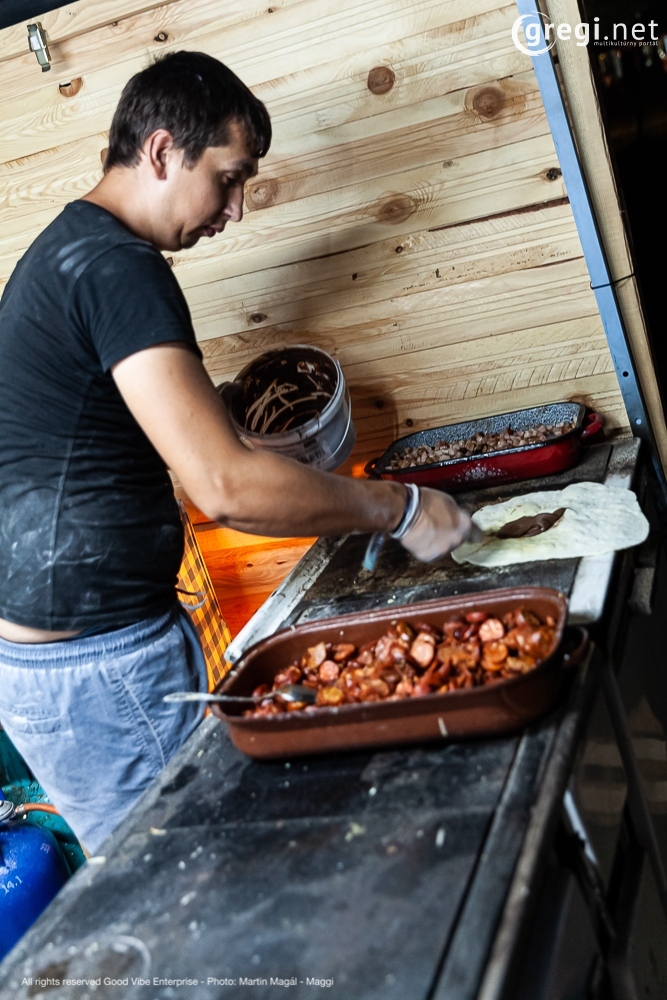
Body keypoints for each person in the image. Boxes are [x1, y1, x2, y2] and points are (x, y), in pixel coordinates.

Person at [0, 52, 471, 852]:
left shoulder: (68, 253)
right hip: (99, 669)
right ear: (160, 151)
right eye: (228, 178)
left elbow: (118, 437)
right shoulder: (118, 268)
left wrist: (235, 430)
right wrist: (400, 508)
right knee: (194, 869)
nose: (237, 209)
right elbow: (223, 487)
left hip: (65, 663)